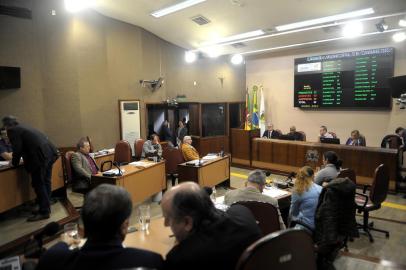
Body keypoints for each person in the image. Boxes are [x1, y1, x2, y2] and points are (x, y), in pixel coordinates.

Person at [36, 184, 164, 270]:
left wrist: (63, 244)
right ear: (125, 226)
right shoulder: (150, 262)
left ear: (84, 226)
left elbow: (54, 253)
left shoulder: (52, 260)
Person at [161, 182, 262, 270]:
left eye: (168, 218)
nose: (165, 224)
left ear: (188, 222)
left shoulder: (181, 259)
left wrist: (180, 241)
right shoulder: (243, 213)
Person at [2, 116, 58, 222]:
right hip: (50, 153)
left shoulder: (12, 130)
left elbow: (17, 149)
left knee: (39, 184)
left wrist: (13, 163)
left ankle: (44, 211)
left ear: (6, 125)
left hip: (39, 158)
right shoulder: (24, 126)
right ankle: (45, 206)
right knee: (46, 181)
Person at [289, 166, 322, 232]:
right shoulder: (321, 189)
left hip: (305, 228)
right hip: (320, 226)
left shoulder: (298, 191)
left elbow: (293, 213)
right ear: (313, 176)